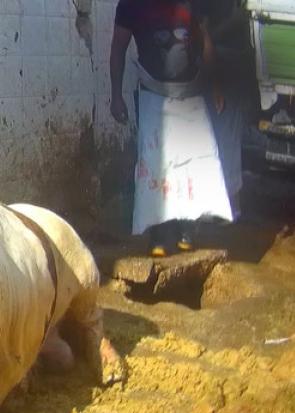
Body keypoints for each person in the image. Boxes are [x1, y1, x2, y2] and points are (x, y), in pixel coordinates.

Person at [111, 0, 233, 256]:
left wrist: (215, 85)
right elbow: (118, 47)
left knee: (193, 162)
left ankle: (186, 229)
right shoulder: (131, 4)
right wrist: (116, 95)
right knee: (156, 165)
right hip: (153, 94)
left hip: (190, 92)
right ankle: (158, 235)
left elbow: (205, 42)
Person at [201, 0, 252, 217]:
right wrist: (237, 19)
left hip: (234, 61)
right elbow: (204, 34)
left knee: (227, 134)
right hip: (219, 61)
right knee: (225, 134)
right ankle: (230, 204)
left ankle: (230, 203)